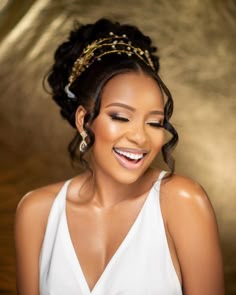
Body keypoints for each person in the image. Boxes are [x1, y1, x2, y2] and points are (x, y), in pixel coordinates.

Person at [14, 18, 225, 295]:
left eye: (155, 122)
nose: (139, 137)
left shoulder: (182, 203)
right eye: (121, 117)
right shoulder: (36, 212)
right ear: (83, 120)